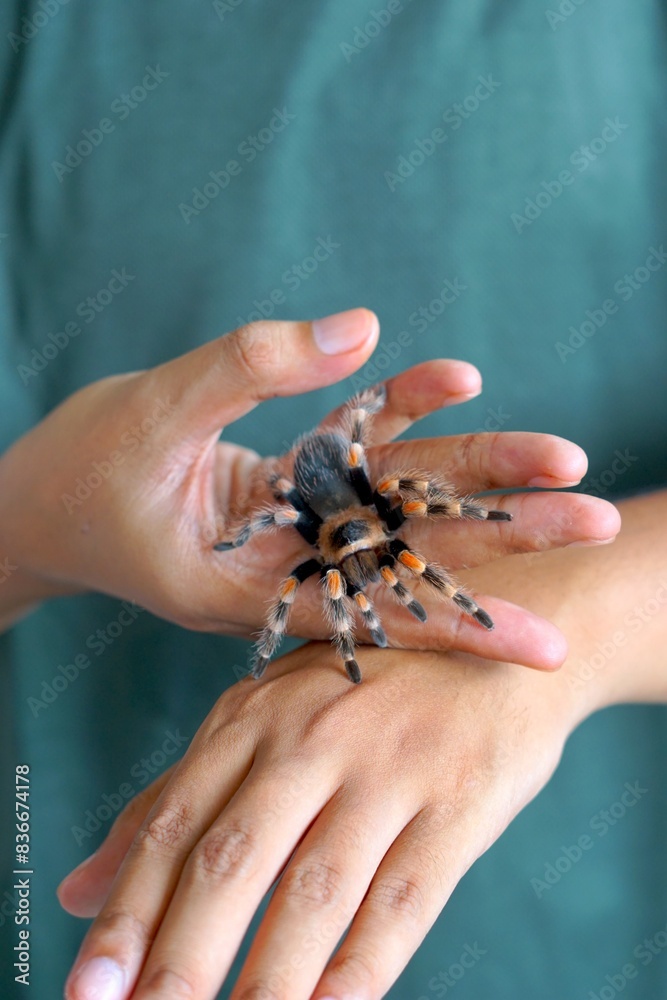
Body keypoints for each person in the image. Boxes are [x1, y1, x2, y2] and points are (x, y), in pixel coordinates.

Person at [1, 3, 665, 999]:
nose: (364, 565)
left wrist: (563, 627)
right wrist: (39, 522)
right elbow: (281, 543)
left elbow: (406, 502)